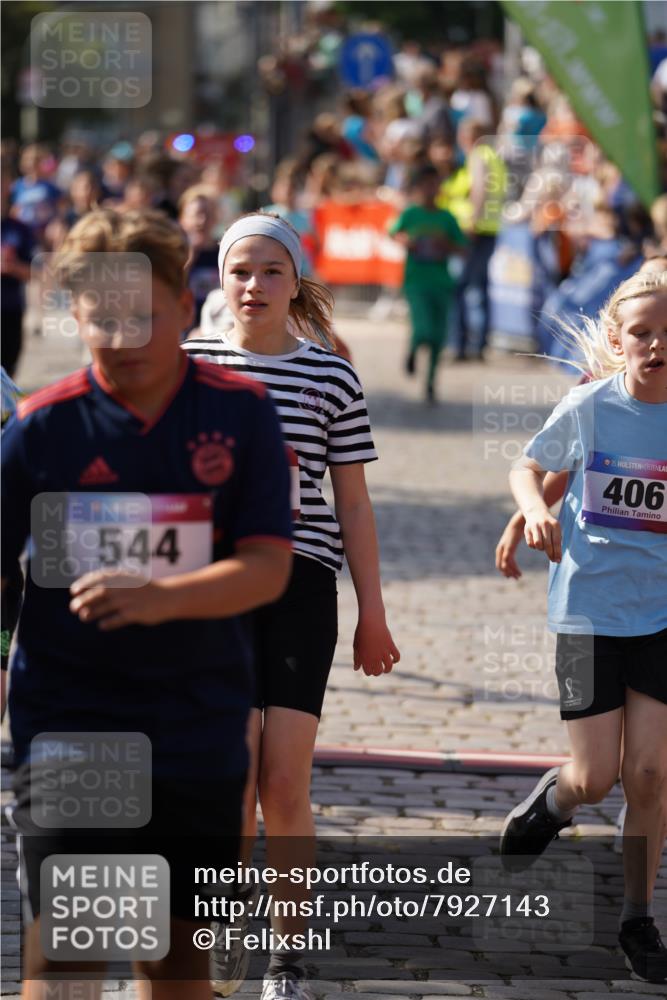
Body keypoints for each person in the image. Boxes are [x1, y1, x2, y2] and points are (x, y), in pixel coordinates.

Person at [1, 208, 293, 1000]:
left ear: (182, 301)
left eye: (144, 318)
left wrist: (162, 597)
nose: (124, 339)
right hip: (71, 719)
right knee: (73, 942)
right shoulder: (41, 427)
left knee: (171, 958)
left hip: (196, 721)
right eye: (102, 321)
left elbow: (267, 567)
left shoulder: (240, 413)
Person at [184, 212, 400, 1000]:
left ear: (296, 282)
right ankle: (223, 920)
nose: (253, 285)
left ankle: (288, 957)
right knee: (231, 773)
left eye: (271, 271)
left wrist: (372, 612)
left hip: (300, 583)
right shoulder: (187, 365)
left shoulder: (328, 376)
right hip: (210, 586)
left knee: (284, 783)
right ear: (218, 278)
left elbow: (353, 502)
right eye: (240, 270)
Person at [498, 270, 667, 985]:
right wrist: (532, 509)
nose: (657, 345)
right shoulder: (590, 406)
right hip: (590, 609)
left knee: (650, 774)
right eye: (642, 332)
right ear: (615, 339)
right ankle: (554, 798)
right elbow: (528, 465)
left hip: (660, 612)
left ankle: (637, 916)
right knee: (597, 778)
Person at [389, 163, 467, 402]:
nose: (430, 189)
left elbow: (463, 248)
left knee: (438, 337)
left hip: (441, 283)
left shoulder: (447, 218)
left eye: (434, 184)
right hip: (416, 281)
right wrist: (407, 241)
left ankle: (431, 383)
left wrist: (447, 246)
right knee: (423, 329)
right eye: (425, 185)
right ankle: (413, 350)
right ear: (417, 188)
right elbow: (394, 232)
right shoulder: (410, 214)